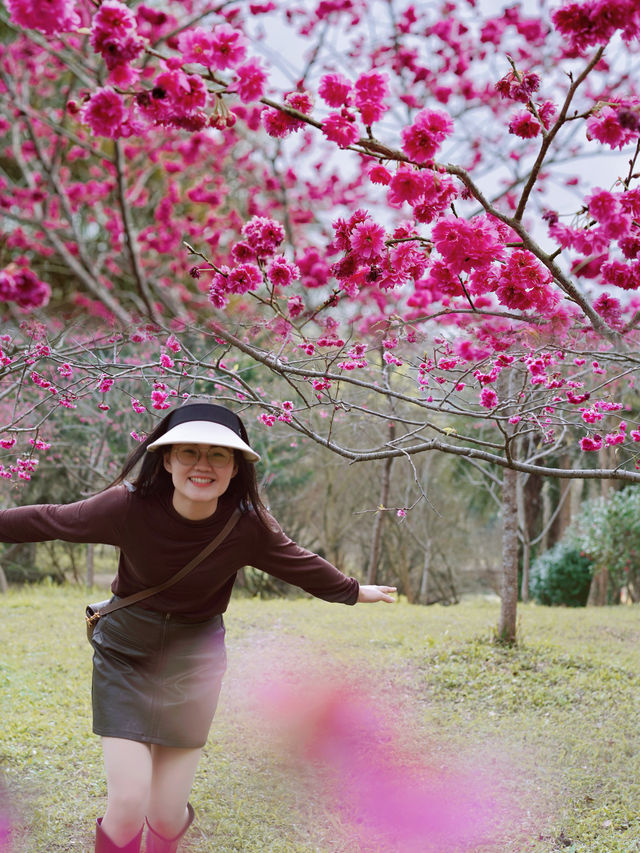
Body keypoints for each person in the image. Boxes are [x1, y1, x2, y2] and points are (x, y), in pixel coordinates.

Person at [0, 399, 396, 853]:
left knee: (166, 815)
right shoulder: (126, 507)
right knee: (128, 802)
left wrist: (352, 589)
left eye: (218, 455)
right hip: (125, 655)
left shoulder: (245, 527)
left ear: (235, 467)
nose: (202, 465)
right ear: (167, 459)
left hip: (194, 665)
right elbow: (50, 518)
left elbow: (298, 563)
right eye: (189, 452)